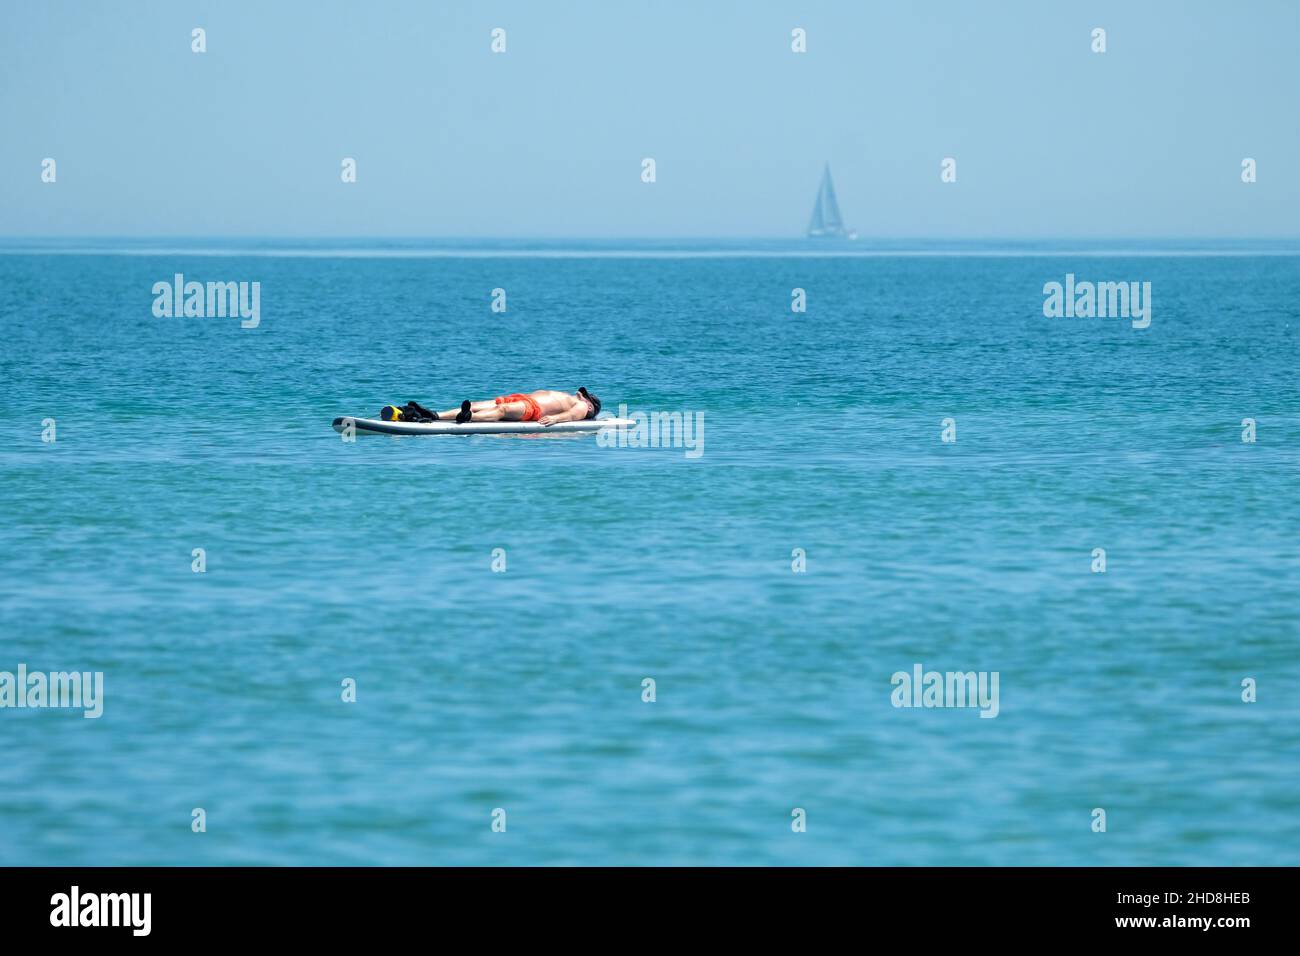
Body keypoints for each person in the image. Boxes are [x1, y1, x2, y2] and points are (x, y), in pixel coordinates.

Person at [434, 387, 602, 425]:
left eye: (587, 397)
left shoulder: (581, 406)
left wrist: (555, 419)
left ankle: (470, 417)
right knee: (475, 404)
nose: (582, 394)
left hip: (534, 408)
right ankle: (436, 415)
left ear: (590, 406)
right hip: (523, 399)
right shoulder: (571, 398)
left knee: (502, 410)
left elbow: (572, 416)